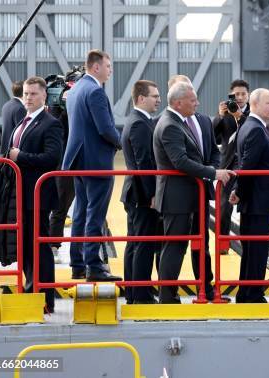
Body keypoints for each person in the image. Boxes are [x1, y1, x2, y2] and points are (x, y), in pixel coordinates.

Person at [153, 82, 234, 304]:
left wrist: (211, 169)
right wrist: (213, 173)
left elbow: (205, 152)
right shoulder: (170, 125)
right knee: (175, 246)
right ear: (178, 103)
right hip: (177, 197)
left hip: (190, 195)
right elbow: (180, 161)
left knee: (196, 244)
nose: (197, 103)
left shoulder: (178, 122)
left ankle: (197, 290)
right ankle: (167, 297)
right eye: (192, 100)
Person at [63, 49, 122, 282]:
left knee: (80, 212)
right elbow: (105, 128)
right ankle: (94, 266)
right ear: (96, 67)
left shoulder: (75, 89)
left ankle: (77, 263)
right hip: (96, 161)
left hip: (78, 159)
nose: (111, 70)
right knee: (95, 214)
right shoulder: (96, 92)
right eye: (108, 66)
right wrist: (120, 143)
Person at [8, 76, 63, 313]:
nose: (28, 98)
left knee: (39, 247)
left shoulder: (50, 123)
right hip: (22, 194)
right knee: (27, 246)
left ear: (43, 96)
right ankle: (32, 292)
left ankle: (44, 298)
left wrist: (20, 157)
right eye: (26, 94)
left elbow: (52, 158)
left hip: (37, 196)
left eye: (33, 94)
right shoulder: (24, 120)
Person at [229, 88, 269, 303]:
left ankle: (247, 291)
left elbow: (244, 163)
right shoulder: (255, 129)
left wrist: (237, 190)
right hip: (258, 200)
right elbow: (248, 166)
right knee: (257, 250)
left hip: (255, 199)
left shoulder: (250, 126)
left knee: (252, 250)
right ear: (255, 104)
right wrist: (239, 191)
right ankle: (252, 294)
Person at [120, 80, 161, 304]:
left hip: (135, 192)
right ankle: (142, 295)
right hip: (141, 195)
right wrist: (151, 194)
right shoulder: (139, 124)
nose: (158, 100)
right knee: (143, 245)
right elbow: (144, 163)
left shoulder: (138, 121)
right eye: (154, 96)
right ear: (141, 98)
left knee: (135, 244)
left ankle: (133, 292)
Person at [212, 79, 251, 253]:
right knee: (223, 208)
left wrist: (239, 117)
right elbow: (213, 137)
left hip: (246, 165)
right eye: (236, 94)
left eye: (243, 94)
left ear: (248, 95)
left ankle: (247, 244)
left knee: (247, 208)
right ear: (231, 95)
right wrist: (219, 116)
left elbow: (253, 128)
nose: (240, 97)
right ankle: (222, 245)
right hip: (227, 165)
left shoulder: (254, 112)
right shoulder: (225, 113)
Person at [48, 88, 74, 264]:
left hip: (66, 166)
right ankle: (53, 246)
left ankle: (53, 245)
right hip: (63, 167)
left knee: (60, 208)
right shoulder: (58, 116)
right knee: (60, 208)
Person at [0, 80, 26, 155]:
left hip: (6, 147)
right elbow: (21, 131)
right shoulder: (20, 108)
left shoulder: (6, 105)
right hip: (14, 149)